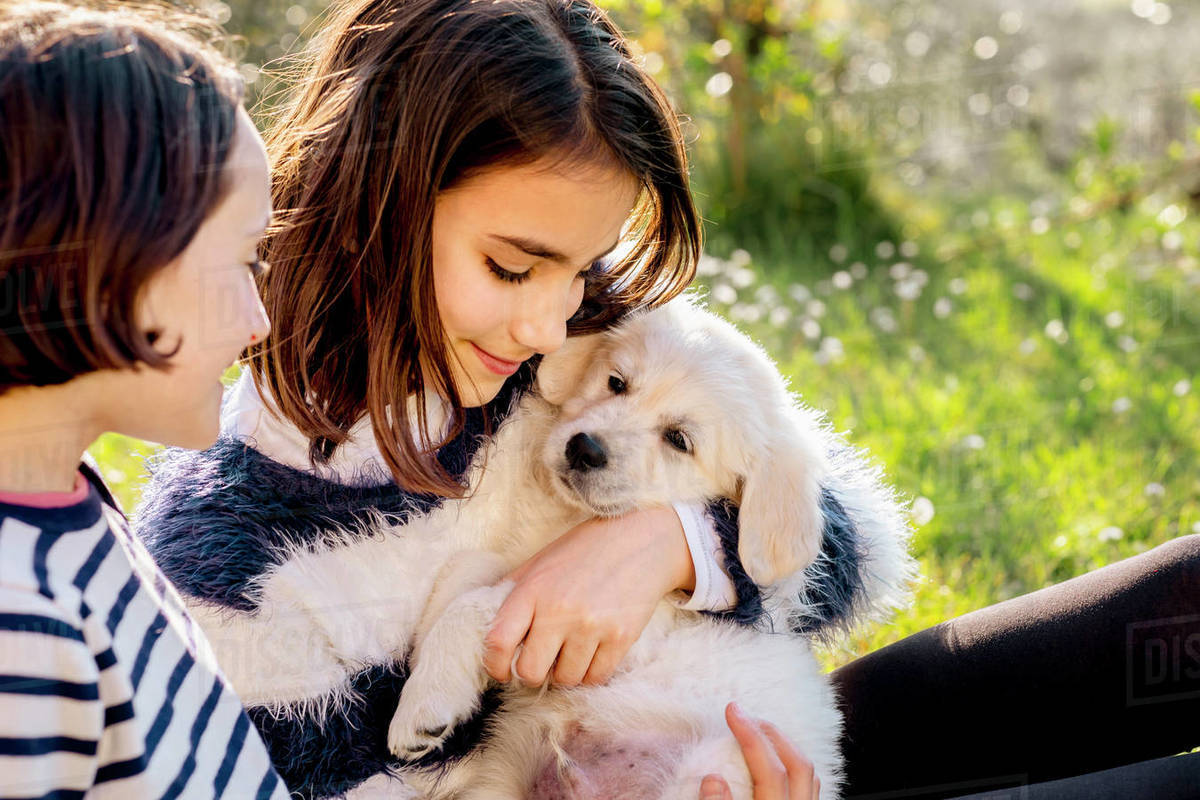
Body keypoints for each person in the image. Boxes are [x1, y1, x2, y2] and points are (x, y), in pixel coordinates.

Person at [133, 0, 825, 797]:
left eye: (583, 268)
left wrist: (673, 545)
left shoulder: (567, 349)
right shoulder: (237, 569)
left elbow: (836, 539)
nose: (549, 327)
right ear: (375, 200)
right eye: (511, 268)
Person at [0, 2, 288, 796]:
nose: (260, 322)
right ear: (117, 255)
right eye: (246, 262)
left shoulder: (66, 494)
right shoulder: (19, 619)